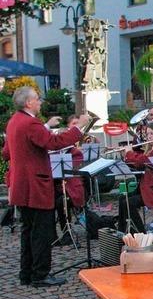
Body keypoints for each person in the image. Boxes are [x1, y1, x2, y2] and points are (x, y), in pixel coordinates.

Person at [2, 86, 89, 287]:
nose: (40, 101)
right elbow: (54, 143)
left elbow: (7, 153)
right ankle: (40, 274)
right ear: (28, 103)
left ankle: (27, 273)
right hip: (35, 184)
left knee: (28, 230)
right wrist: (78, 128)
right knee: (41, 231)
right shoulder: (30, 122)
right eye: (37, 99)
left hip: (21, 184)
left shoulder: (14, 121)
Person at [117, 123, 153, 234]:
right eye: (147, 134)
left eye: (152, 133)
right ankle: (122, 232)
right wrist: (125, 155)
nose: (149, 136)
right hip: (147, 186)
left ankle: (140, 233)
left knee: (128, 203)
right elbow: (138, 165)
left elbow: (141, 161)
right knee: (122, 199)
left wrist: (129, 152)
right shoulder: (151, 149)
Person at [53, 114, 88, 246]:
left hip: (73, 190)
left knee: (61, 202)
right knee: (50, 200)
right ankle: (52, 235)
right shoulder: (55, 154)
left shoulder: (75, 152)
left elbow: (73, 169)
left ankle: (67, 233)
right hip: (59, 188)